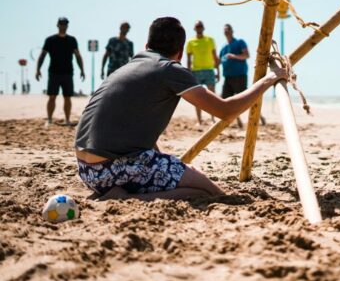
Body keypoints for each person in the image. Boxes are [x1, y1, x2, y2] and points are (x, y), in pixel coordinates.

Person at [75, 17, 288, 201]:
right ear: (180, 52)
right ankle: (127, 198)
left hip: (87, 170)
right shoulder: (169, 69)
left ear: (147, 45)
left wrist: (162, 163)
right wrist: (269, 79)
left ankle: (126, 191)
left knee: (182, 173)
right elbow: (225, 111)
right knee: (209, 192)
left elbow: (135, 125)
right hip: (113, 169)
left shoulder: (130, 66)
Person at [36, 17, 85, 126]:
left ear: (67, 26)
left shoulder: (72, 40)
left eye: (65, 24)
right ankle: (49, 120)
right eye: (61, 24)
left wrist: (82, 70)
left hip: (68, 72)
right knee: (52, 96)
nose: (63, 26)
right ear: (57, 25)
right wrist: (38, 69)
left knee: (67, 97)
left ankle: (67, 120)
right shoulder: (50, 40)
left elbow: (78, 56)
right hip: (54, 72)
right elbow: (42, 55)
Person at [186, 20, 220, 124]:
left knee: (212, 96)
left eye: (200, 26)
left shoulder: (210, 40)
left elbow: (215, 57)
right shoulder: (190, 42)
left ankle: (213, 118)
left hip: (209, 70)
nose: (199, 28)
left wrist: (218, 71)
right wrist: (188, 74)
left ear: (203, 28)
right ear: (194, 28)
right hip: (196, 72)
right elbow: (189, 60)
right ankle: (199, 120)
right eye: (197, 26)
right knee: (197, 97)